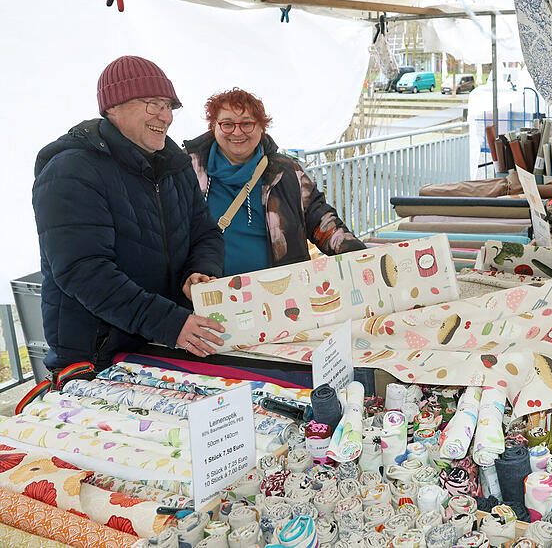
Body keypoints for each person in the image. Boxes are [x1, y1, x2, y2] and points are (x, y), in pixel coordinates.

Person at [33, 56, 226, 372]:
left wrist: (200, 269)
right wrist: (169, 322)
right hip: (98, 358)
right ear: (113, 108)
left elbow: (205, 232)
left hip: (162, 344)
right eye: (152, 104)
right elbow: (84, 271)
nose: (165, 116)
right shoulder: (70, 171)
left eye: (168, 106)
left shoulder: (174, 164)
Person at [184, 88, 365, 276]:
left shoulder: (285, 172)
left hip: (279, 293)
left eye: (247, 124)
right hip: (208, 295)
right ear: (213, 126)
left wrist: (361, 257)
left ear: (261, 127)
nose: (237, 132)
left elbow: (322, 221)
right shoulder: (187, 171)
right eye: (227, 124)